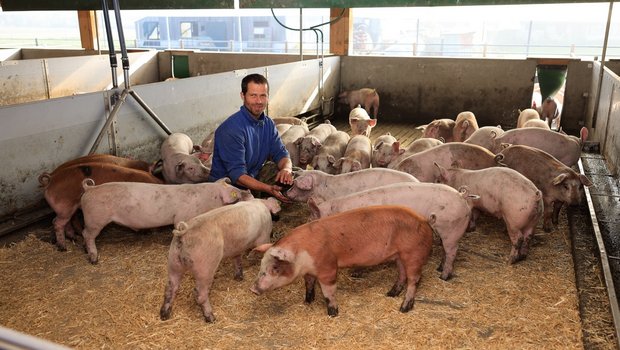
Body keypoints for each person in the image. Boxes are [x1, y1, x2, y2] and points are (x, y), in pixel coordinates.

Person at [208, 73, 293, 202]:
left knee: (293, 176)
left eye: (262, 96)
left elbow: (281, 153)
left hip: (253, 177)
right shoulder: (231, 129)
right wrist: (268, 188)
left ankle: (265, 199)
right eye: (253, 95)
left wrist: (286, 169)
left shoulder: (268, 124)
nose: (259, 101)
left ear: (268, 97)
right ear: (243, 96)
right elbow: (238, 175)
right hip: (228, 188)